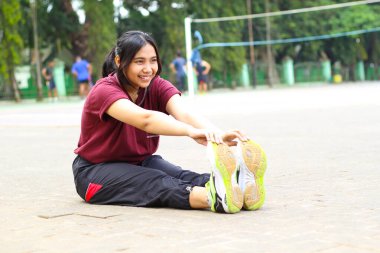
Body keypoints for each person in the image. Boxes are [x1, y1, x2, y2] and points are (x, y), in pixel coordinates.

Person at [72, 31, 267, 214]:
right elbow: (145, 120)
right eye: (139, 62)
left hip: (140, 162)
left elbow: (183, 112)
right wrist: (190, 132)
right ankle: (213, 198)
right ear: (119, 61)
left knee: (182, 176)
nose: (148, 69)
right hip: (95, 171)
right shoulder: (104, 90)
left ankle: (237, 187)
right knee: (158, 182)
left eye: (153, 61)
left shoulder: (156, 84)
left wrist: (217, 134)